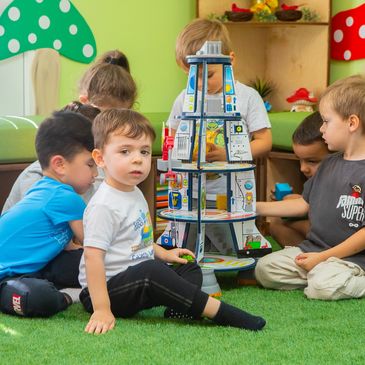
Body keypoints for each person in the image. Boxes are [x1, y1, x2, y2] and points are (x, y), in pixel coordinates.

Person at [78, 108, 266, 334]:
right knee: (152, 271)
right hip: (105, 292)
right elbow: (92, 258)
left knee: (188, 267)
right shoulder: (103, 205)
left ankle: (181, 308)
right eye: (125, 151)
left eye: (144, 152)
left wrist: (164, 254)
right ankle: (222, 312)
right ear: (100, 158)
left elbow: (136, 239)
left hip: (139, 280)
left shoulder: (133, 192)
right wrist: (101, 308)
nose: (137, 159)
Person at [166, 18, 272, 254]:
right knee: (188, 247)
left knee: (238, 245)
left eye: (210, 74)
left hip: (233, 191)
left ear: (230, 61)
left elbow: (264, 141)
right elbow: (173, 138)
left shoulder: (247, 96)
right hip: (192, 192)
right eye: (194, 76)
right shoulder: (185, 98)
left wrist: (228, 154)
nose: (202, 84)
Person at [255, 75, 365, 301]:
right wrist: (254, 207)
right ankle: (320, 274)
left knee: (322, 287)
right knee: (264, 269)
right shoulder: (329, 164)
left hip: (352, 260)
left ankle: (328, 277)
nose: (322, 129)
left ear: (352, 123)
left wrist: (325, 257)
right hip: (313, 250)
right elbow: (303, 204)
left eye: (326, 121)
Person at [2, 50, 136, 213]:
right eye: (105, 118)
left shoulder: (107, 164)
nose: (111, 128)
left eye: (120, 120)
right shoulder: (37, 177)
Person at [0, 111, 97, 317]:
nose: (95, 174)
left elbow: (68, 245)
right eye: (90, 164)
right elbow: (93, 243)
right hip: (7, 275)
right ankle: (68, 296)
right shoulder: (66, 198)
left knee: (79, 261)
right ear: (60, 165)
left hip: (41, 266)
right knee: (39, 298)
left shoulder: (46, 189)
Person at [269, 112, 330, 247]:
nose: (303, 168)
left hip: (338, 237)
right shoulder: (315, 180)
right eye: (300, 161)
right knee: (277, 225)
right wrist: (294, 198)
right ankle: (306, 260)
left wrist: (300, 202)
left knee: (311, 227)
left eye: (312, 161)